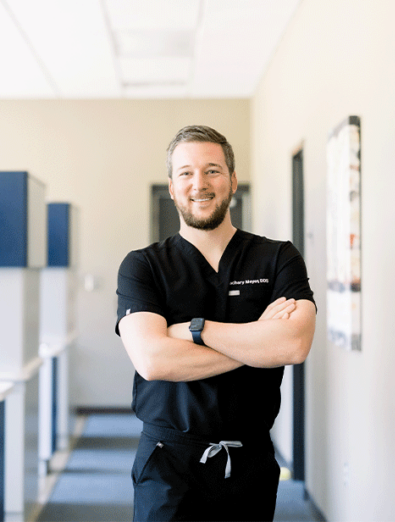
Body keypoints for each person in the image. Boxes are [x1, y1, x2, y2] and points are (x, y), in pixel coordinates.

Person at [116, 125, 316, 522]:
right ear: (172, 187)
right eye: (186, 173)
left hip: (250, 460)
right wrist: (258, 343)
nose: (199, 183)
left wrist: (196, 330)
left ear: (233, 181)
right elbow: (154, 360)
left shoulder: (277, 258)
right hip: (167, 463)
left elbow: (293, 345)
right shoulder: (143, 266)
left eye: (212, 170)